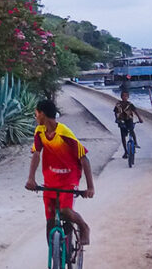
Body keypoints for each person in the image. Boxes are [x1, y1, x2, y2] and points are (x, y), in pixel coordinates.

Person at [25, 97, 95, 246]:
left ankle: (84, 227)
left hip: (69, 177)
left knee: (65, 211)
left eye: (36, 114)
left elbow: (84, 159)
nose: (36, 117)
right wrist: (31, 178)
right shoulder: (39, 131)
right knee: (50, 220)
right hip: (51, 178)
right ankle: (54, 254)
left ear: (42, 114)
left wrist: (90, 187)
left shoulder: (64, 132)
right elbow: (36, 154)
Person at [113, 89, 143, 157]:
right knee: (123, 136)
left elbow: (135, 111)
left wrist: (140, 118)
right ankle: (125, 151)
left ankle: (135, 143)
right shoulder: (118, 105)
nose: (125, 97)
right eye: (123, 96)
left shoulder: (130, 104)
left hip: (129, 119)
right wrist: (117, 119)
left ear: (128, 97)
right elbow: (115, 112)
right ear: (121, 97)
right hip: (121, 120)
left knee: (131, 130)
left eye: (126, 96)